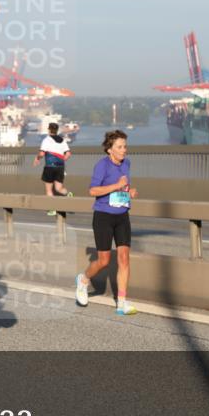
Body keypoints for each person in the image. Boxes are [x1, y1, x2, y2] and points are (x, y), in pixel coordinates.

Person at [74, 130, 139, 316]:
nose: (124, 150)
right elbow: (92, 191)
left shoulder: (126, 163)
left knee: (124, 258)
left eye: (125, 146)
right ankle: (83, 280)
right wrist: (117, 186)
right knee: (104, 261)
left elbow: (123, 187)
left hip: (122, 215)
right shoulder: (102, 165)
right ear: (110, 149)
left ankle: (122, 303)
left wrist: (129, 192)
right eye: (119, 147)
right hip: (103, 216)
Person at [32, 122, 72, 215]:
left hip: (50, 167)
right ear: (57, 130)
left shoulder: (46, 140)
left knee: (49, 190)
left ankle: (52, 209)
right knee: (58, 188)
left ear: (49, 130)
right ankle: (68, 194)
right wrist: (62, 160)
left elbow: (42, 154)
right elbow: (68, 154)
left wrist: (37, 158)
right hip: (60, 167)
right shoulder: (62, 140)